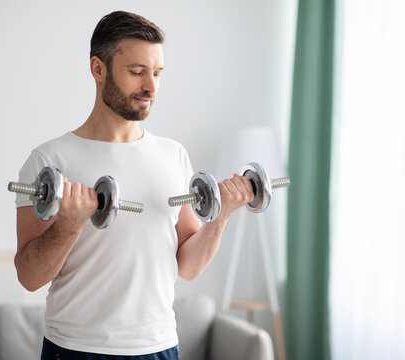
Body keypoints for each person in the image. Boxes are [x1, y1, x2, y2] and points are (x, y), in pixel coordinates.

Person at [14, 10, 254, 360]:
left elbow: (187, 266)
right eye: (137, 72)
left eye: (157, 73)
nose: (151, 87)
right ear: (98, 69)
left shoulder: (173, 155)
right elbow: (29, 277)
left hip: (158, 346)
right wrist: (69, 223)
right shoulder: (50, 160)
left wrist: (221, 217)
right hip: (76, 347)